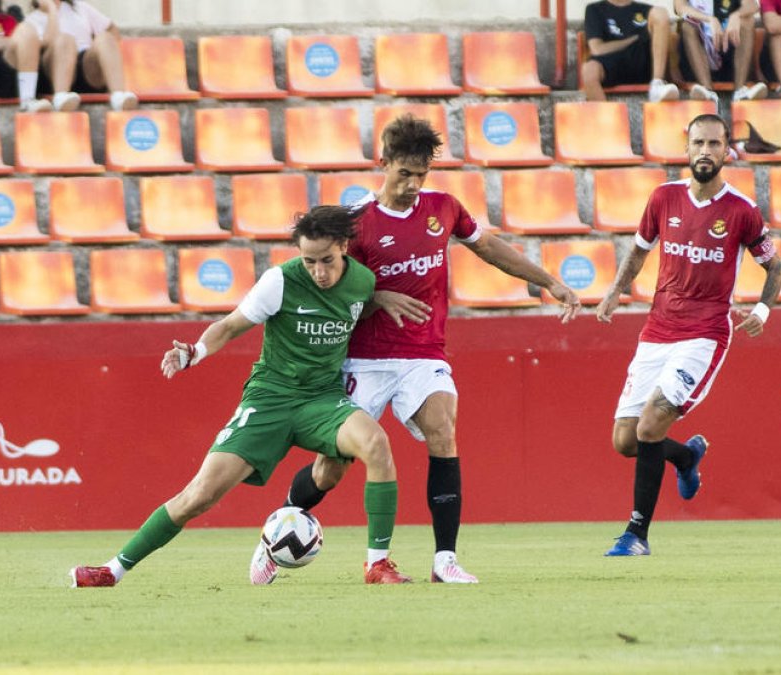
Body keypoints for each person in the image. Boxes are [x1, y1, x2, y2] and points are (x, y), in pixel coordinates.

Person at [248, 114, 583, 586]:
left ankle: (444, 560)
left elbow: (488, 247)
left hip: (424, 352)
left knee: (443, 432)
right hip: (364, 357)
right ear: (382, 163)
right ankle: (279, 528)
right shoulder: (356, 225)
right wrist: (378, 298)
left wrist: (549, 281)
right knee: (331, 468)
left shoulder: (443, 208)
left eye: (420, 175)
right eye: (404, 173)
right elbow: (331, 296)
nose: (412, 185)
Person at [71, 205, 414, 587]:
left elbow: (359, 306)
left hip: (322, 398)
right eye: (309, 261)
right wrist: (193, 352)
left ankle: (377, 566)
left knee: (375, 444)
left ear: (345, 247)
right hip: (271, 398)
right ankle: (112, 570)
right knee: (199, 495)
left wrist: (380, 298)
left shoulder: (362, 282)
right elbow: (231, 325)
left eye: (327, 261)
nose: (319, 271)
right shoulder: (279, 281)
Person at [595, 113, 781, 556]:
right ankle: (684, 457)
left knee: (650, 422)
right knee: (625, 440)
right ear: (687, 148)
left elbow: (774, 265)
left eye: (713, 144)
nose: (705, 151)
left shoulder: (741, 211)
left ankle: (635, 535)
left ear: (726, 150)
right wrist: (614, 293)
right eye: (697, 143)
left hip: (704, 335)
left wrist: (762, 309)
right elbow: (640, 251)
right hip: (657, 330)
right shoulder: (663, 198)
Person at [24, 0, 138, 112]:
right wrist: (52, 9)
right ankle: (61, 97)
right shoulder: (31, 20)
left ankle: (119, 96)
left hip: (86, 65)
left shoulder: (80, 7)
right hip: (55, 68)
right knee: (65, 40)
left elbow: (112, 29)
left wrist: (98, 48)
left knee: (105, 37)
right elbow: (47, 42)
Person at [581, 0, 681, 102]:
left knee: (660, 13)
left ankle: (657, 84)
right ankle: (605, 116)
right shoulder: (594, 9)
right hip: (612, 63)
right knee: (589, 70)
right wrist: (633, 39)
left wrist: (674, 70)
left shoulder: (647, 10)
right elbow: (597, 49)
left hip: (643, 62)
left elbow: (669, 38)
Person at [675, 0, 769, 102]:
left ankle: (740, 91)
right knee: (687, 26)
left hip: (729, 51)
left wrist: (736, 15)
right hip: (697, 53)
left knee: (747, 21)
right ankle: (707, 91)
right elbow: (680, 8)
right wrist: (710, 19)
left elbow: (753, 5)